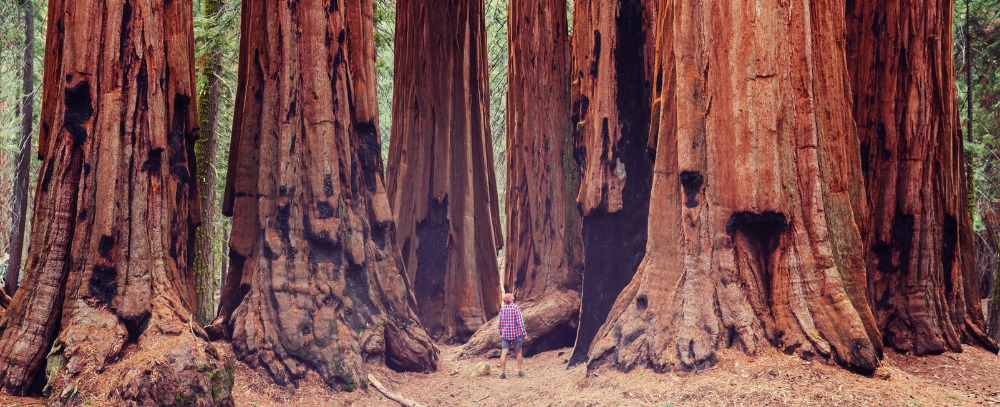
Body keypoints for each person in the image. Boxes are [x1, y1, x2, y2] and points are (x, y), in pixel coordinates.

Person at [498, 292, 526, 379]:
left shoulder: (502, 309)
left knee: (504, 352)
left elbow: (500, 323)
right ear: (511, 299)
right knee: (518, 351)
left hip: (505, 335)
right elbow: (520, 322)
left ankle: (502, 373)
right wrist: (524, 333)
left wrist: (501, 332)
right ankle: (519, 371)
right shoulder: (515, 308)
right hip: (516, 334)